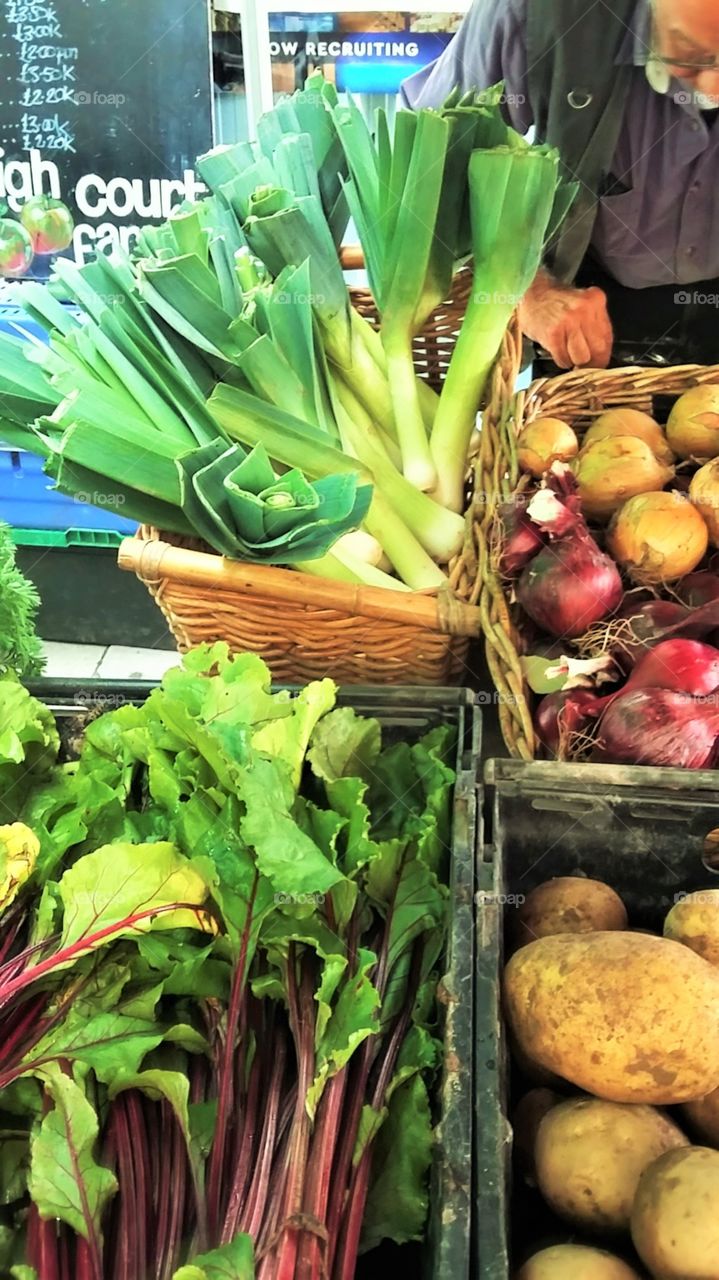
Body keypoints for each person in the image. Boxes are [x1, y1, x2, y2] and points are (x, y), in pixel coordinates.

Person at [401, 0, 719, 373]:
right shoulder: (534, 11)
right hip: (584, 297)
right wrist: (528, 289)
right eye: (691, 54)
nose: (714, 88)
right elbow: (432, 156)